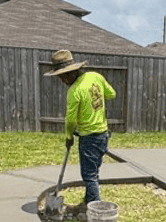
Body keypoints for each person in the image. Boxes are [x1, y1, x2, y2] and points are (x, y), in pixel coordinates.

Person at [44, 49, 116, 213]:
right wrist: (95, 100)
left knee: (89, 176)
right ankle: (88, 201)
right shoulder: (95, 77)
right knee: (94, 173)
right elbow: (111, 94)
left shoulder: (74, 91)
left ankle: (94, 210)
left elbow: (70, 120)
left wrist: (69, 137)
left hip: (89, 139)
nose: (62, 81)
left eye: (62, 77)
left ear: (70, 73)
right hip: (103, 135)